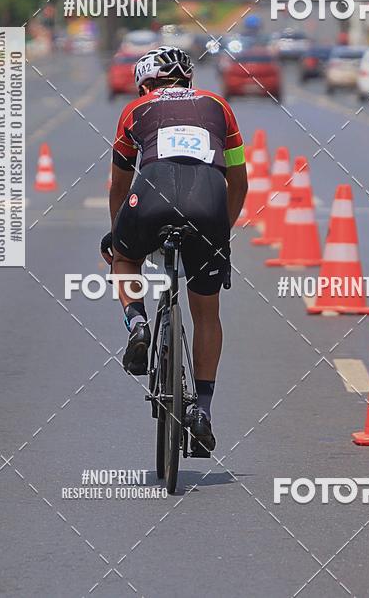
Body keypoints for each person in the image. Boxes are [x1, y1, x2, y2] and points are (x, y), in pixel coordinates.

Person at [100, 45, 248, 455]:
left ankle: (137, 323)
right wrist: (221, 234)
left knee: (124, 257)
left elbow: (118, 185)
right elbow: (239, 182)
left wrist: (117, 234)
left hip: (150, 196)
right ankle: (202, 410)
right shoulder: (219, 105)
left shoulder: (134, 110)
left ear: (145, 84)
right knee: (207, 315)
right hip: (209, 202)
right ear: (188, 79)